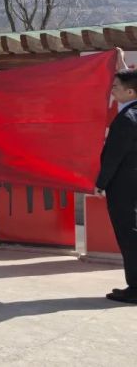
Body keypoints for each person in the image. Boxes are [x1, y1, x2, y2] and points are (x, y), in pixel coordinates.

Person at [94, 67, 137, 303]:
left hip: (124, 187)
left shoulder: (126, 120)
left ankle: (135, 288)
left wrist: (101, 183)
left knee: (129, 236)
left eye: (116, 87)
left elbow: (113, 157)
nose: (112, 91)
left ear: (130, 92)